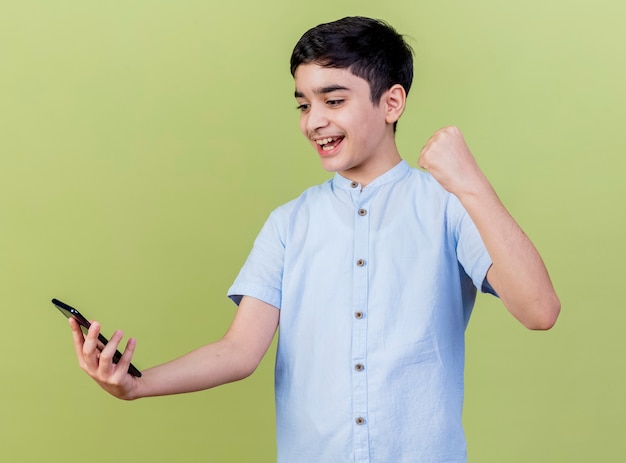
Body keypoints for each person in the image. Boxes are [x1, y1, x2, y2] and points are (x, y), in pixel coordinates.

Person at [69, 16, 560, 463]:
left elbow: (539, 310)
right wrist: (138, 384)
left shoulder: (449, 205)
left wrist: (471, 182)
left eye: (334, 100)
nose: (314, 121)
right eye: (304, 104)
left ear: (392, 102)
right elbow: (239, 351)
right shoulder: (289, 223)